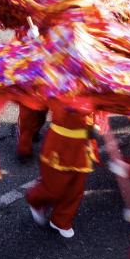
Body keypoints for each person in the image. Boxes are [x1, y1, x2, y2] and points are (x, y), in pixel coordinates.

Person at [25, 103, 98, 240]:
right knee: (54, 186)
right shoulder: (60, 84)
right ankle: (35, 199)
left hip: (83, 145)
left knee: (76, 188)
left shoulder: (95, 86)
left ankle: (61, 220)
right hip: (60, 144)